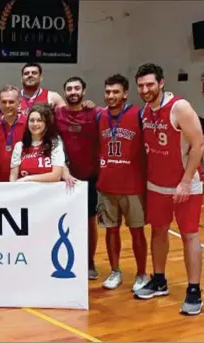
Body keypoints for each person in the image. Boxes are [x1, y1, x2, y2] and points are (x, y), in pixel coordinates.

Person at [133, 63, 203, 316]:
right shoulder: (145, 110)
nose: (145, 89)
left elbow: (198, 145)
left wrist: (185, 181)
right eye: (141, 86)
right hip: (157, 184)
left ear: (161, 83)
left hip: (185, 185)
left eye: (150, 84)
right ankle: (159, 279)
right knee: (159, 231)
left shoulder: (180, 107)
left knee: (189, 236)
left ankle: (194, 289)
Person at [95, 74, 149, 292]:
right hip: (107, 184)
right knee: (111, 230)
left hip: (133, 185)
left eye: (116, 92)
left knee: (137, 231)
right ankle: (115, 270)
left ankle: (142, 273)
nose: (111, 96)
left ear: (125, 94)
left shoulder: (139, 115)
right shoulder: (100, 116)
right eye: (108, 92)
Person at [55, 76, 101, 280]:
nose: (73, 92)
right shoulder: (57, 114)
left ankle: (89, 262)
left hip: (89, 177)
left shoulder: (95, 113)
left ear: (84, 91)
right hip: (64, 178)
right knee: (63, 221)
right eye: (69, 89)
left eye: (77, 88)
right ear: (64, 92)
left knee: (90, 221)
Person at [9, 103, 65, 182]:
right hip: (25, 192)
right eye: (32, 120)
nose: (35, 124)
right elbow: (13, 177)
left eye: (39, 120)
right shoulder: (19, 146)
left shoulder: (55, 144)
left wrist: (29, 178)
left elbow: (56, 175)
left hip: (50, 193)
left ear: (46, 123)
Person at [0, 85, 27, 182]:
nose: (7, 105)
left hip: (22, 181)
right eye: (4, 102)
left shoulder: (28, 124)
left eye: (11, 102)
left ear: (19, 103)